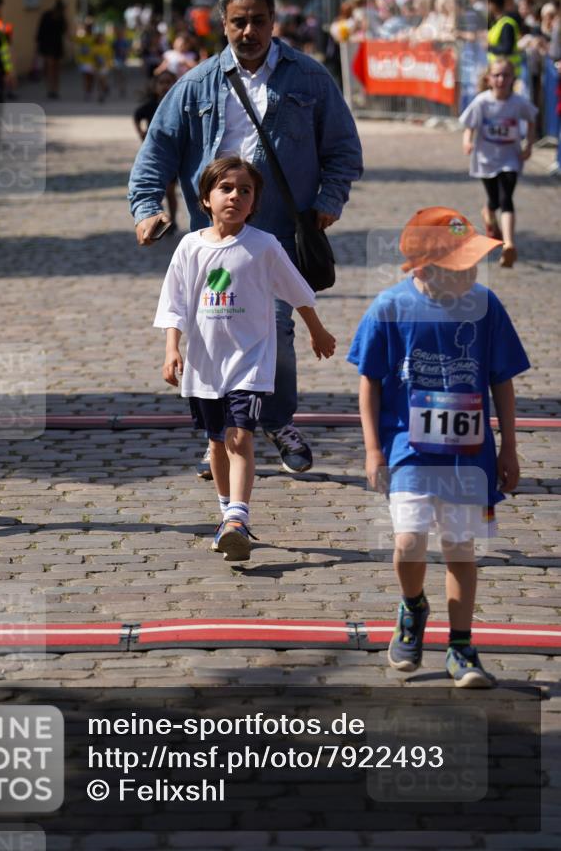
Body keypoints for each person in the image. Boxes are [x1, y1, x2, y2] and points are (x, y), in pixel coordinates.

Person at [129, 0, 363, 478]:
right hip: (213, 237)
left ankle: (276, 421)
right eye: (239, 21)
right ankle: (223, 433)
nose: (249, 30)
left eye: (258, 20)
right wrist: (147, 208)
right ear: (224, 24)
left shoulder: (308, 79)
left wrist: (329, 200)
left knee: (274, 329)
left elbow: (344, 148)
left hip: (279, 234)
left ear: (273, 22)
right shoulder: (196, 84)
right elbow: (156, 153)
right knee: (216, 329)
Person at [348, 206, 529, 687]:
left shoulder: (486, 306)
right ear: (425, 269)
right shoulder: (390, 308)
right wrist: (372, 450)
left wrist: (509, 446)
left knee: (460, 549)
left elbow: (503, 380)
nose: (473, 272)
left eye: (474, 262)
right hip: (408, 449)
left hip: (468, 455)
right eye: (462, 265)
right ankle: (412, 607)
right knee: (408, 543)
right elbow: (369, 380)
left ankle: (461, 647)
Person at [154, 156, 336, 561]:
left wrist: (316, 329)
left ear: (255, 203)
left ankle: (238, 515)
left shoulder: (263, 246)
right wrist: (172, 349)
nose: (235, 196)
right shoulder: (189, 246)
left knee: (239, 436)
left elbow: (297, 289)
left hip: (249, 362)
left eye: (245, 191)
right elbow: (175, 303)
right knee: (216, 442)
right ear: (205, 198)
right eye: (226, 189)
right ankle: (228, 517)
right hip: (205, 365)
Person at [460, 58, 536, 267]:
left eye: (506, 75)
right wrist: (467, 141)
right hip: (486, 159)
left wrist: (528, 144)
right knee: (494, 199)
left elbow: (532, 119)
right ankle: (489, 214)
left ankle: (509, 244)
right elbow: (470, 125)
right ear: (488, 79)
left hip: (510, 158)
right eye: (497, 75)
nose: (501, 79)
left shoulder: (518, 102)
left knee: (506, 198)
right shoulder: (482, 102)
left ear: (513, 78)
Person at [133, 70, 179, 231]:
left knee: (170, 190)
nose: (165, 86)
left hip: (174, 155)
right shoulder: (150, 106)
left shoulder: (179, 104)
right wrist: (141, 133)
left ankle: (172, 220)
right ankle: (157, 218)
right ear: (155, 86)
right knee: (155, 189)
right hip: (155, 155)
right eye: (162, 82)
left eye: (169, 82)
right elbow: (137, 115)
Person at [36, 0, 67, 99]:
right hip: (47, 45)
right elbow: (40, 31)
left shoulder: (62, 18)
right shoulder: (47, 16)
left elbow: (64, 31)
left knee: (56, 69)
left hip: (57, 45)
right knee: (49, 67)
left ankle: (55, 89)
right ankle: (50, 89)